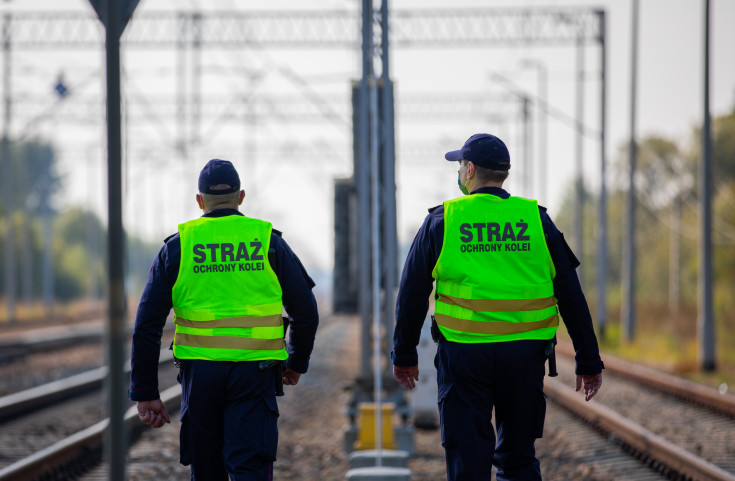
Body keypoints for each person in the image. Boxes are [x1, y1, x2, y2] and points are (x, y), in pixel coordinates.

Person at [392, 134, 604, 481]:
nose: (459, 172)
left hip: (464, 358)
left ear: (470, 169)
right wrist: (589, 359)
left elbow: (412, 292)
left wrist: (404, 354)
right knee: (518, 459)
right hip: (525, 356)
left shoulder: (442, 221)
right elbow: (569, 291)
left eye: (460, 165)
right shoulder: (535, 220)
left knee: (467, 458)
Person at [129, 159, 319, 481]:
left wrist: (146, 391)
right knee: (250, 469)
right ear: (240, 196)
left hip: (200, 375)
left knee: (207, 472)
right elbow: (306, 312)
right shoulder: (268, 241)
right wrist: (296, 363)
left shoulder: (178, 247)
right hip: (254, 373)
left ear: (200, 200)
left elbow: (147, 324)